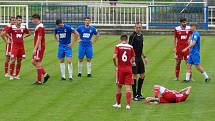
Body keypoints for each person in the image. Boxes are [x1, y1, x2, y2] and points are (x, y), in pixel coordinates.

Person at [4, 15, 31, 80]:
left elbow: (29, 33)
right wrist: (10, 38)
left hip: (21, 46)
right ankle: (11, 74)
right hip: (14, 46)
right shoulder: (12, 27)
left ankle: (16, 75)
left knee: (19, 61)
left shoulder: (23, 27)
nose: (20, 21)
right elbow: (5, 33)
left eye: (20, 20)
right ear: (16, 20)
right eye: (18, 20)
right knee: (12, 60)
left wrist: (23, 37)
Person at [112, 35, 135, 110]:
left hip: (120, 69)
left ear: (120, 39)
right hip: (128, 69)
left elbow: (114, 57)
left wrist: (116, 65)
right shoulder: (131, 47)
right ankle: (128, 105)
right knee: (128, 87)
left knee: (119, 86)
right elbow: (133, 58)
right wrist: (132, 63)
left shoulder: (117, 46)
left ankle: (118, 104)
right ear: (127, 40)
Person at [129, 22, 148, 101]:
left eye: (140, 27)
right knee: (134, 76)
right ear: (134, 28)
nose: (138, 29)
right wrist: (131, 59)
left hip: (139, 58)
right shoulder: (132, 36)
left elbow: (141, 47)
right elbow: (130, 47)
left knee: (143, 75)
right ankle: (134, 95)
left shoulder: (142, 36)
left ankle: (139, 93)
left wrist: (144, 57)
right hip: (134, 58)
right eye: (137, 27)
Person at [31, 14, 50, 85]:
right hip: (38, 47)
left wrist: (35, 49)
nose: (32, 21)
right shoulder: (39, 26)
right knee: (33, 61)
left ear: (36, 19)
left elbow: (39, 38)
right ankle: (45, 74)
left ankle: (39, 81)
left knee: (37, 63)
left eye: (33, 19)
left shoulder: (40, 27)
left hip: (39, 48)